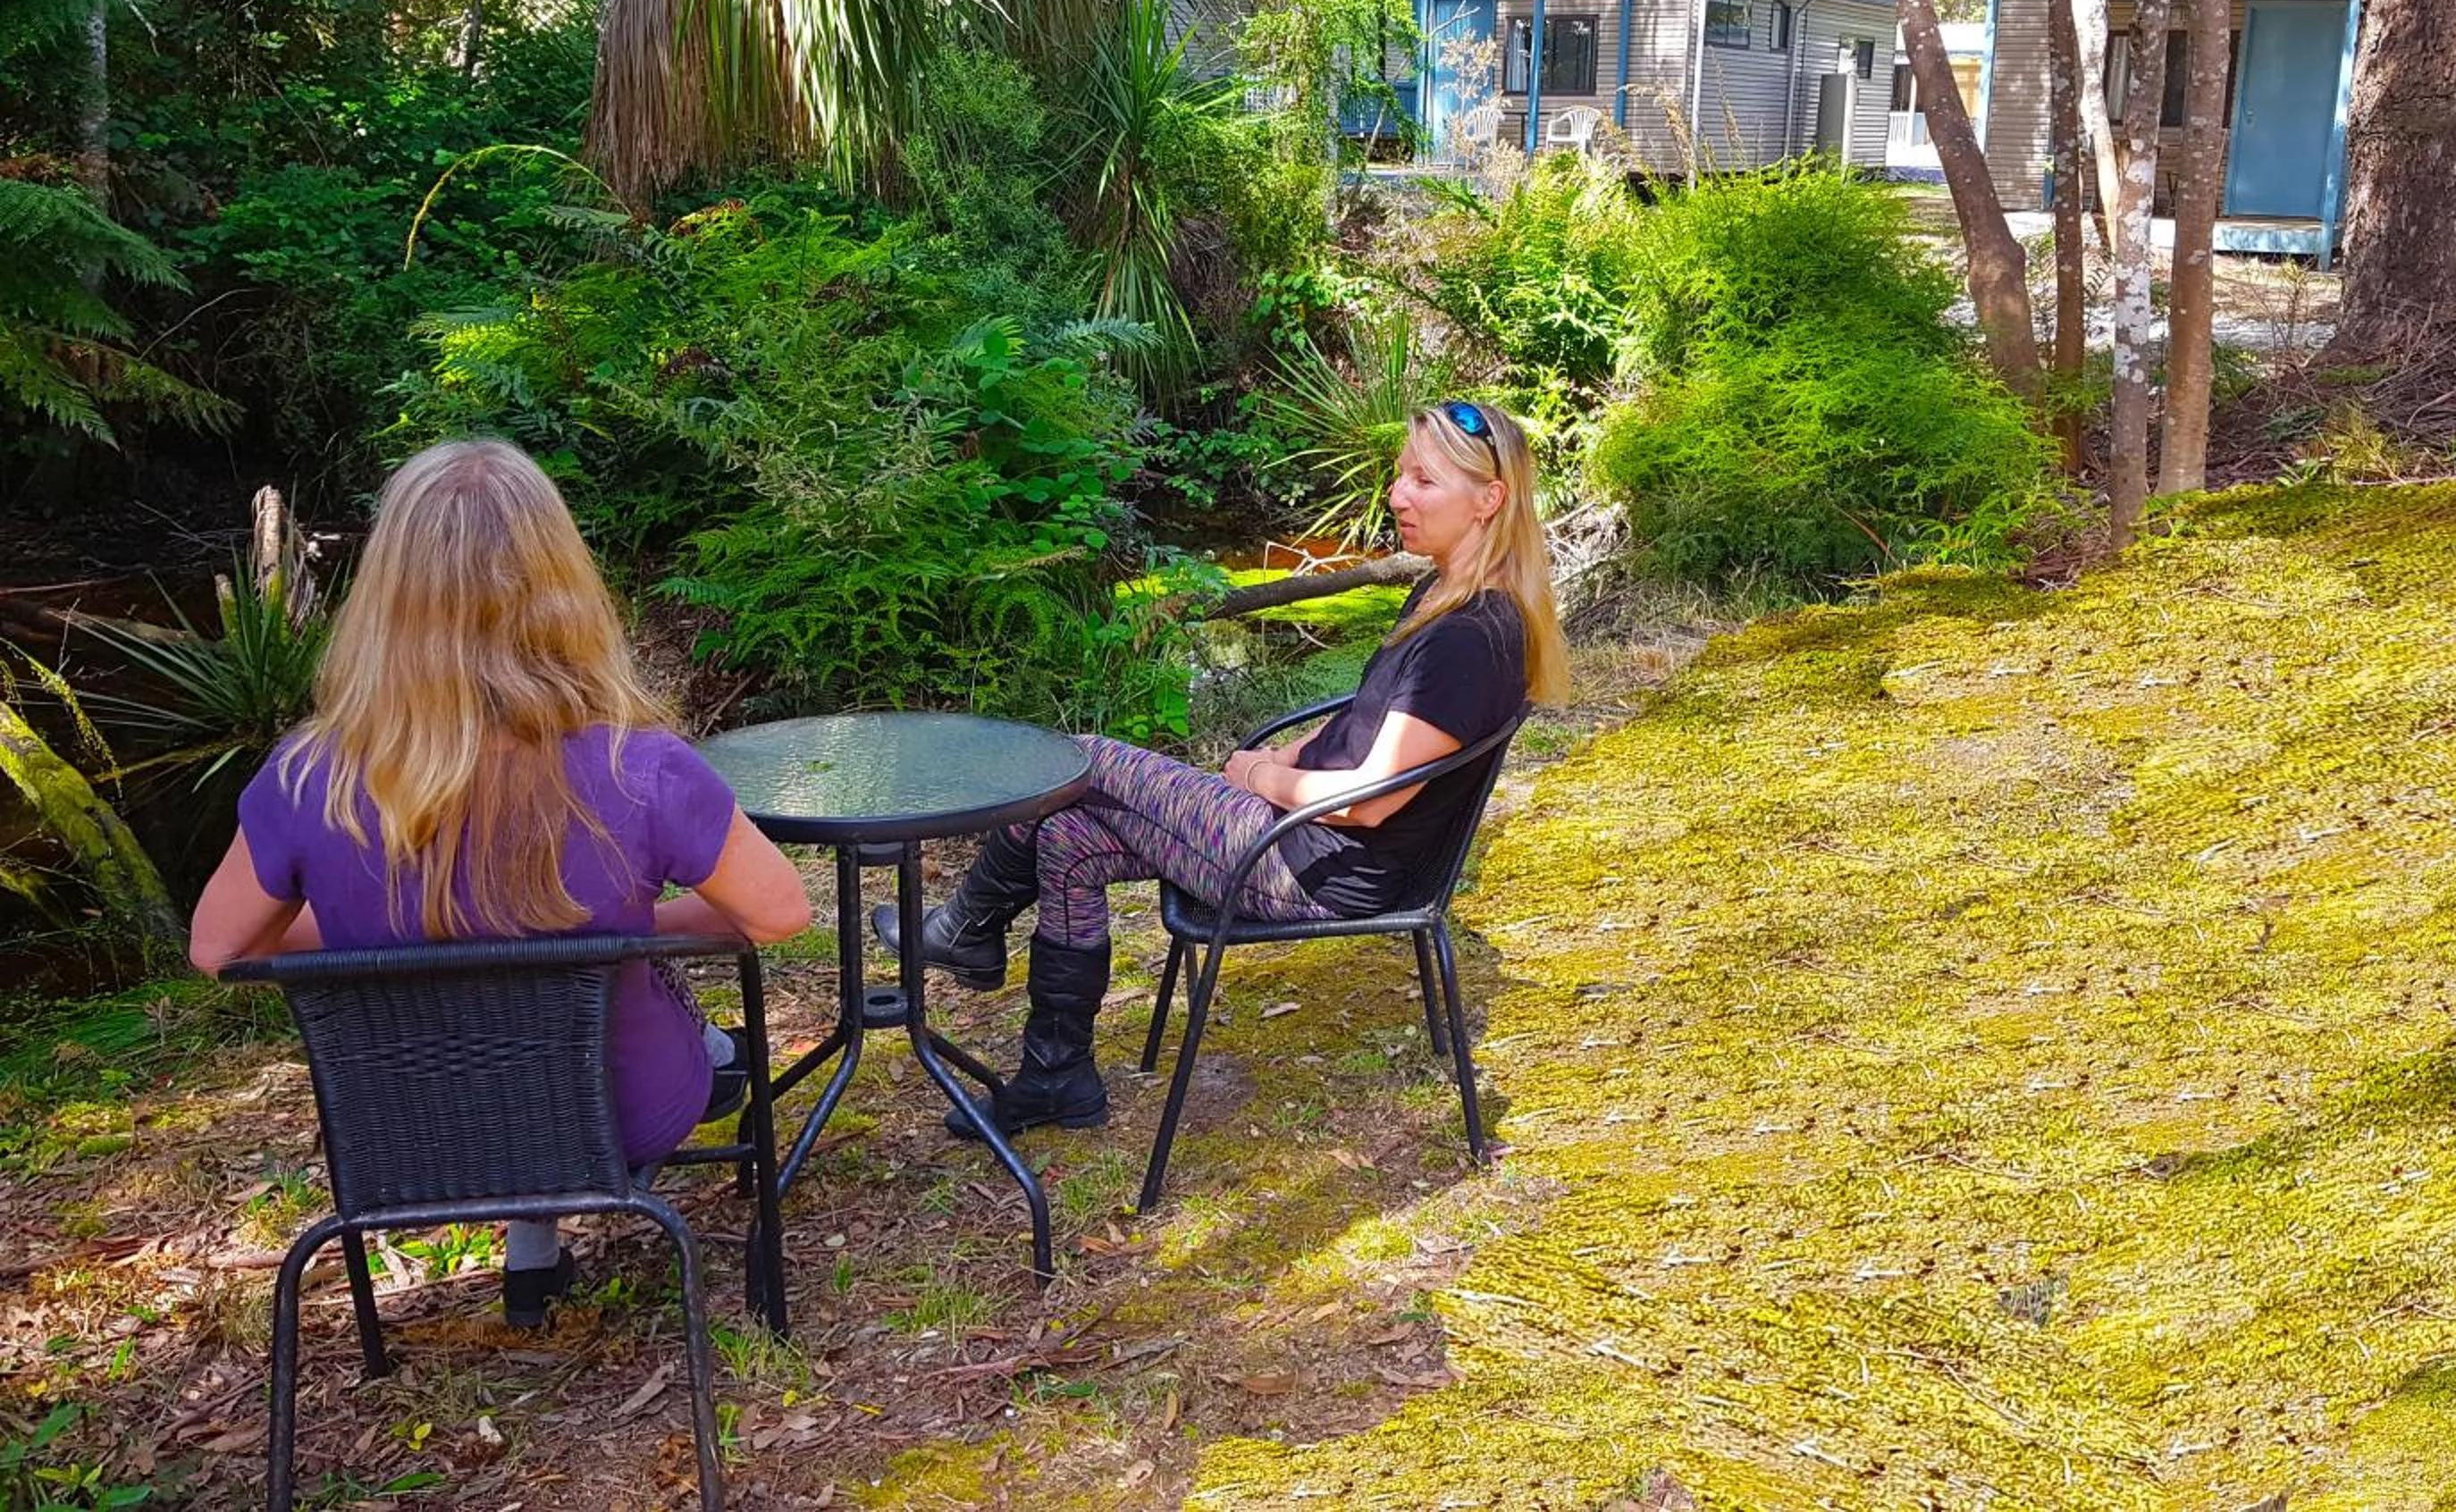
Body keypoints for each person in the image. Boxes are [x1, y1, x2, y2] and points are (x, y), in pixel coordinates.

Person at [189, 440, 811, 1326]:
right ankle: (711, 1065)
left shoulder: (304, 778)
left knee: (513, 1018)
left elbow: (221, 948)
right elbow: (780, 913)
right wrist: (630, 926)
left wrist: (387, 933)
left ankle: (535, 1251)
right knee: (678, 1031)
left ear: (384, 598)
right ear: (562, 585)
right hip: (617, 1111)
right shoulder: (644, 770)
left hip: (406, 1133)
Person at [887, 398, 1569, 1138]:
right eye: (1401, 475)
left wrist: (1257, 777)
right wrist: (1290, 754)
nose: (1399, 496)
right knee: (1068, 838)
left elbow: (1369, 801)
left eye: (1424, 481)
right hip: (1300, 837)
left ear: (1489, 499)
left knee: (1085, 753)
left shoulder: (1471, 637)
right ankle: (1056, 1078)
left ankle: (963, 928)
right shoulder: (1441, 594)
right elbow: (1367, 729)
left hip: (1314, 866)